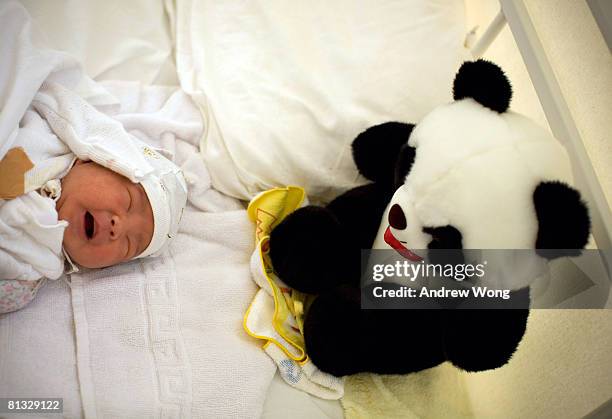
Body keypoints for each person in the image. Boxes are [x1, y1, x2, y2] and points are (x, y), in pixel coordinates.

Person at [0, 1, 188, 313]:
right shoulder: (42, 127)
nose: (118, 226)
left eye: (129, 245)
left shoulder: (33, 267)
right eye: (129, 201)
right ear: (99, 159)